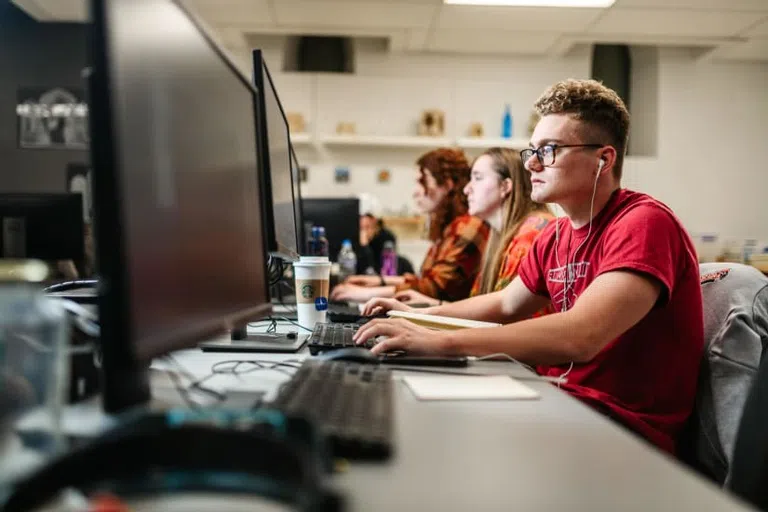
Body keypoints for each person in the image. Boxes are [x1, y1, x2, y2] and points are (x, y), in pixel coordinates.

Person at [355, 79, 703, 455]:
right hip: (560, 403)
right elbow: (505, 305)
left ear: (603, 160)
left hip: (621, 431)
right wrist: (421, 317)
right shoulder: (554, 235)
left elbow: (581, 336)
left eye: (550, 150)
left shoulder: (643, 223)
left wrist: (440, 341)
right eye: (532, 150)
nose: (533, 164)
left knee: (436, 442)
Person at [394, 148, 554, 306]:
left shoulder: (532, 231)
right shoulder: (499, 236)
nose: (466, 189)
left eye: (478, 178)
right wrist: (434, 306)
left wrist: (426, 312)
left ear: (505, 186)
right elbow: (487, 314)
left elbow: (505, 318)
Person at [331, 148, 489, 303]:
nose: (416, 192)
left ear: (447, 186)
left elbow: (434, 288)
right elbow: (426, 280)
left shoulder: (468, 227)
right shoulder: (450, 228)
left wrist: (368, 293)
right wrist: (380, 281)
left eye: (422, 182)